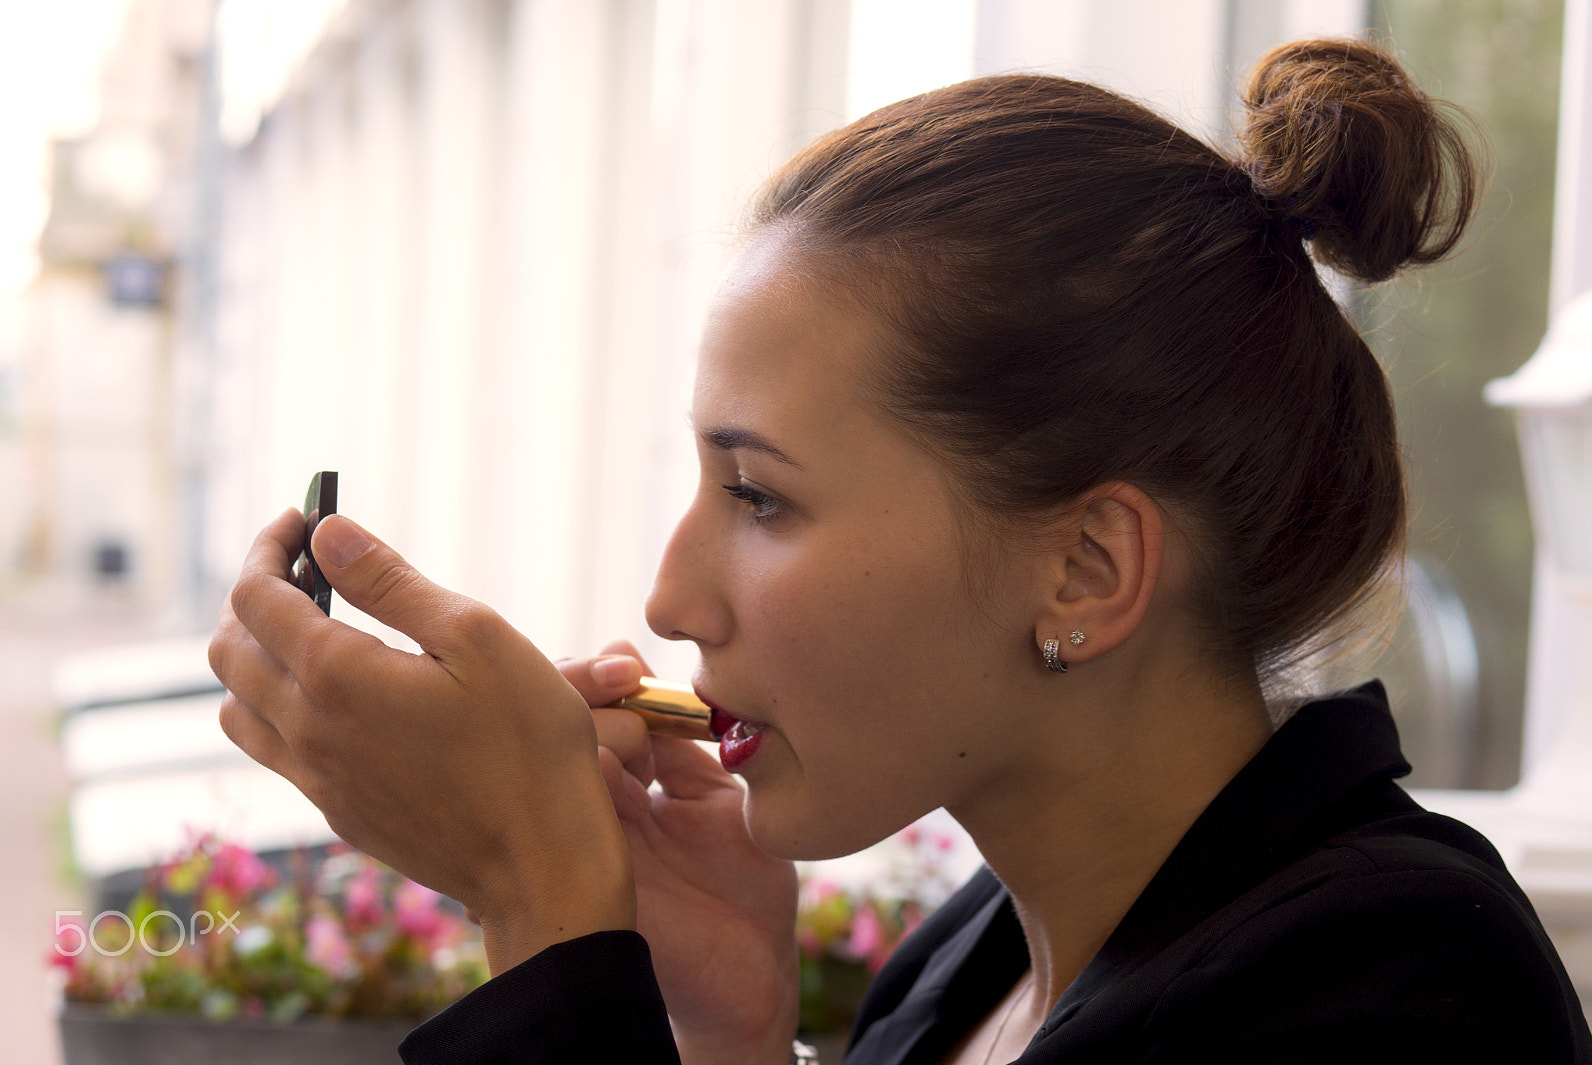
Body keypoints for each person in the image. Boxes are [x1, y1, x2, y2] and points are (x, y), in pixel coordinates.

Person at [209, 37, 1592, 1065]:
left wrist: (547, 912)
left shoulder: (1397, 986)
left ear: (1087, 572)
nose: (672, 595)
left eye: (760, 498)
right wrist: (732, 1027)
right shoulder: (975, 958)